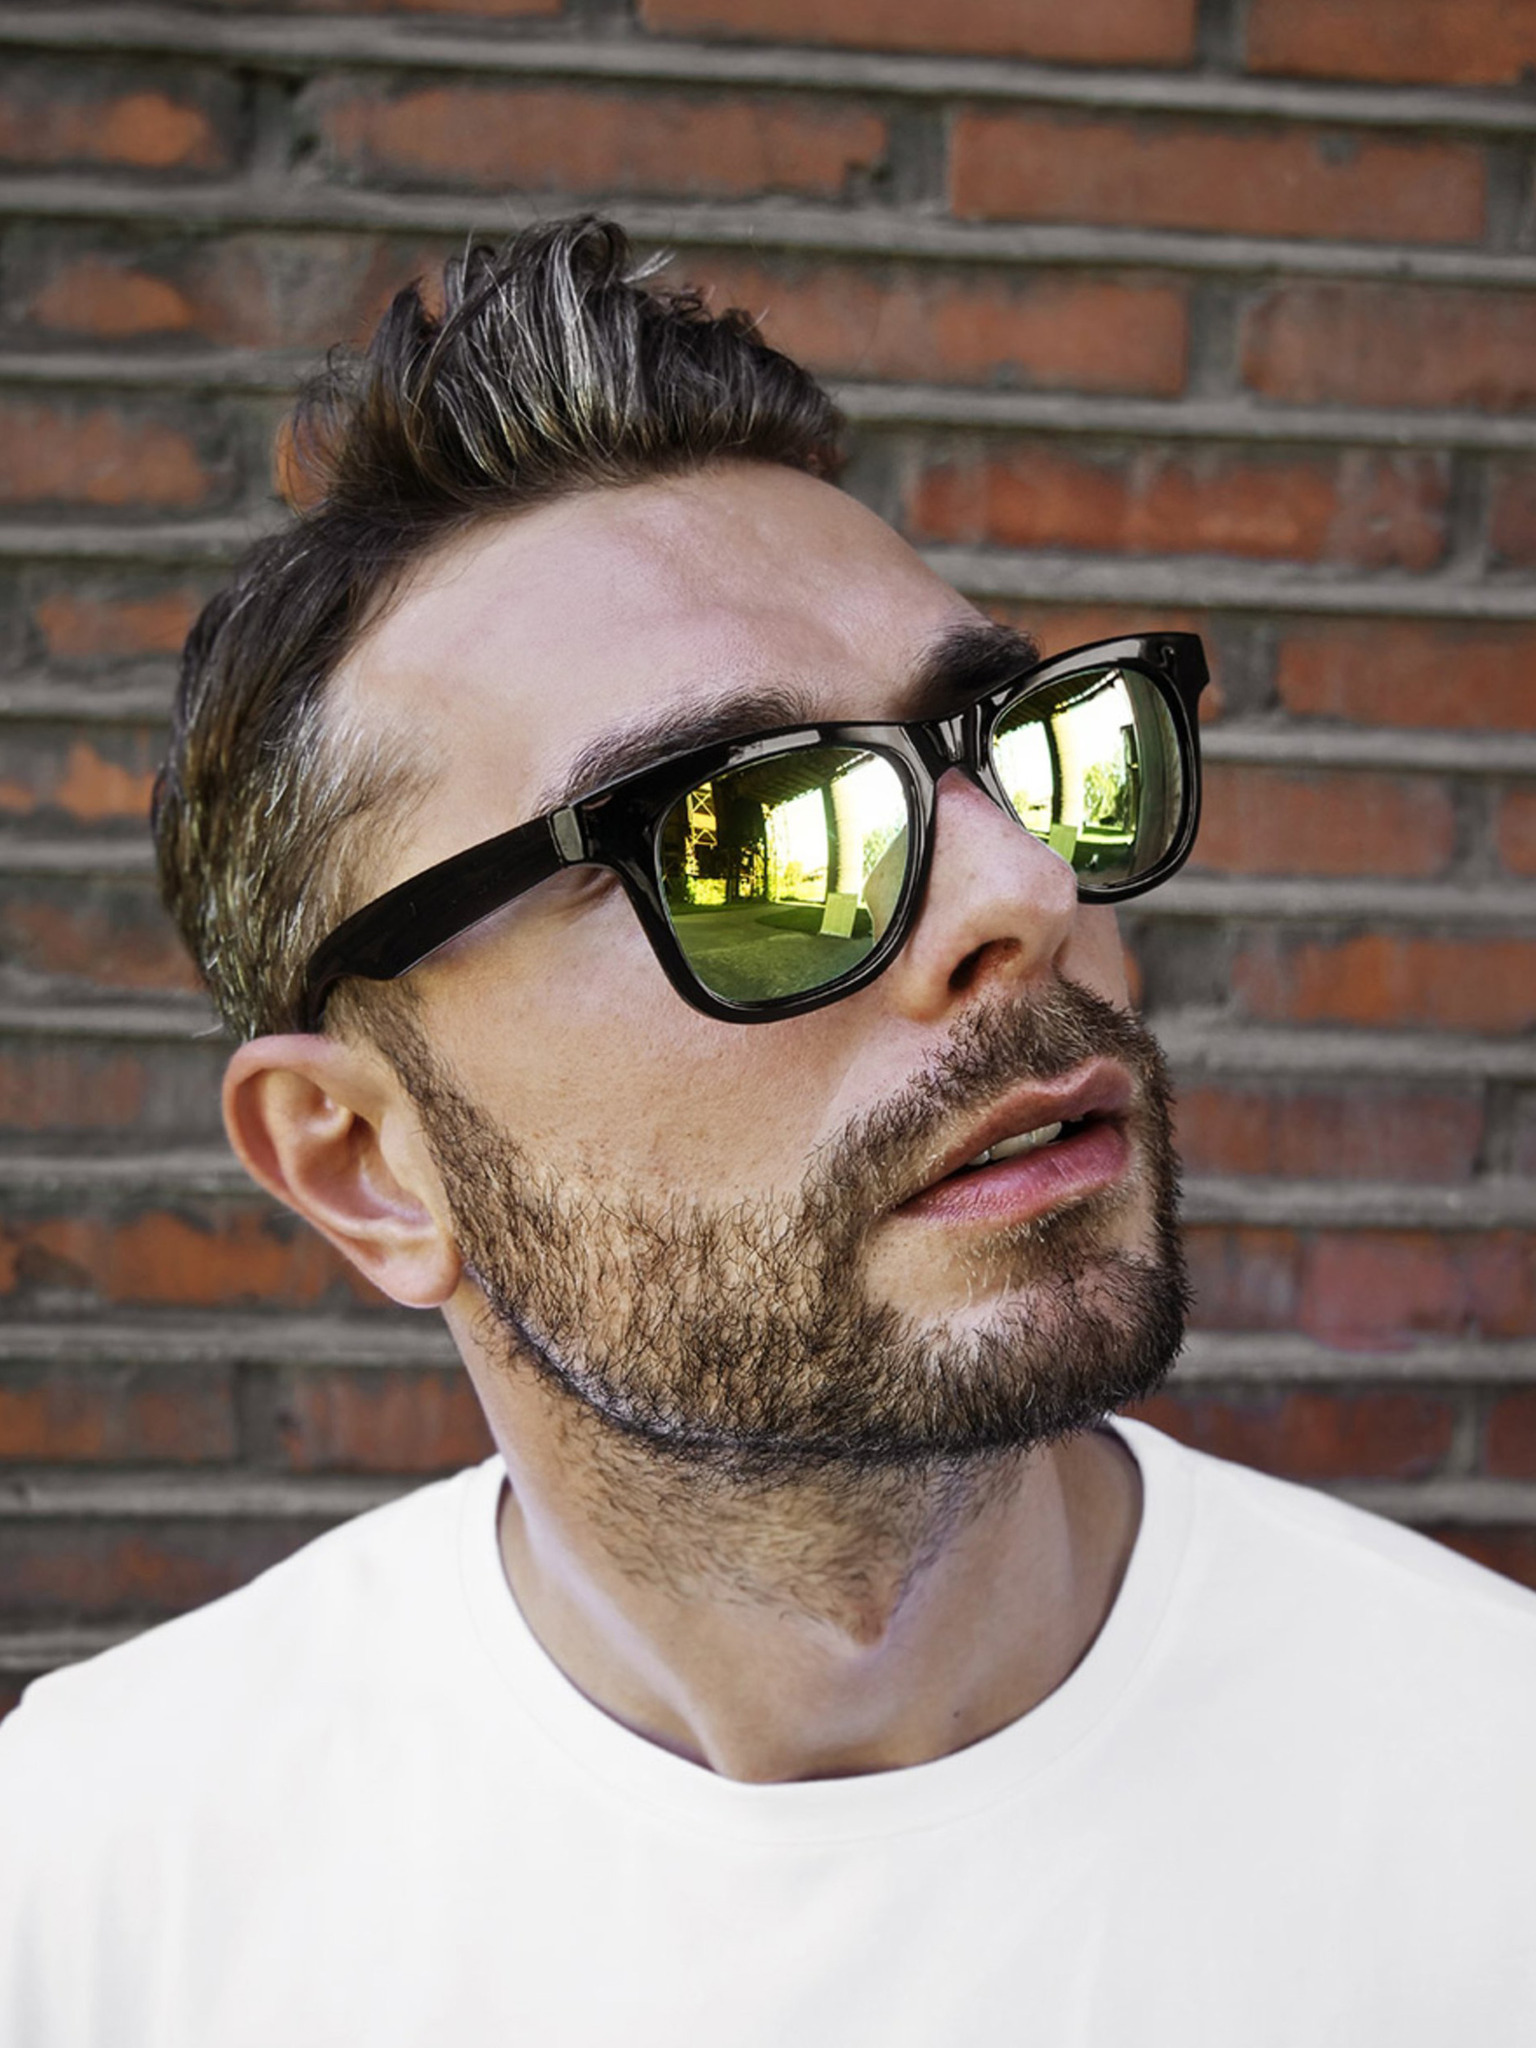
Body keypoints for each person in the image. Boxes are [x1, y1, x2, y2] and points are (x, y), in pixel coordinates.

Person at [1, 216, 1532, 2046]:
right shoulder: (98, 1890)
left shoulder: (1484, 1802)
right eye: (747, 840)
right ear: (365, 1161)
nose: (1026, 891)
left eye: (1007, 754)